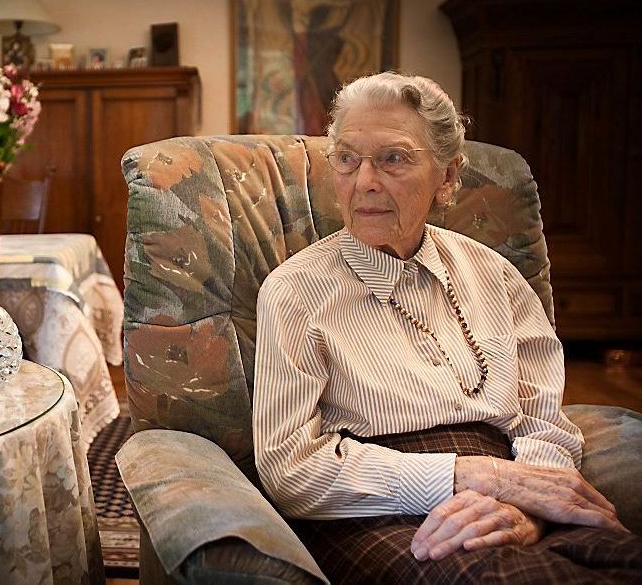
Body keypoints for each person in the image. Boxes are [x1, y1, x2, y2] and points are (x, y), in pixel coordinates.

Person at [252, 71, 641, 582]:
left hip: (514, 489)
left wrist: (529, 503)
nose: (364, 181)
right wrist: (469, 477)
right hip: (378, 505)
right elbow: (287, 467)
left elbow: (542, 415)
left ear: (448, 176)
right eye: (347, 158)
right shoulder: (296, 292)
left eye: (393, 158)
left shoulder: (493, 273)